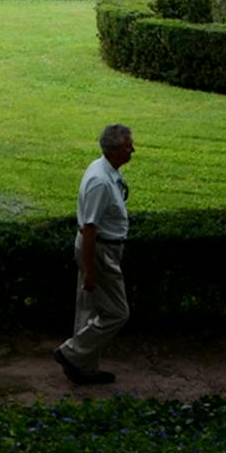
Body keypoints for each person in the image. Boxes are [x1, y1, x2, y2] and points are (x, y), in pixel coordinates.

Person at [54, 124, 134, 385]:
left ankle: (83, 369)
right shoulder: (100, 181)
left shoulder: (103, 169)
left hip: (98, 248)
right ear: (113, 150)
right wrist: (90, 270)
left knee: (88, 310)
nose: (133, 149)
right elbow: (90, 228)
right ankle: (72, 353)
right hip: (100, 251)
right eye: (127, 145)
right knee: (117, 313)